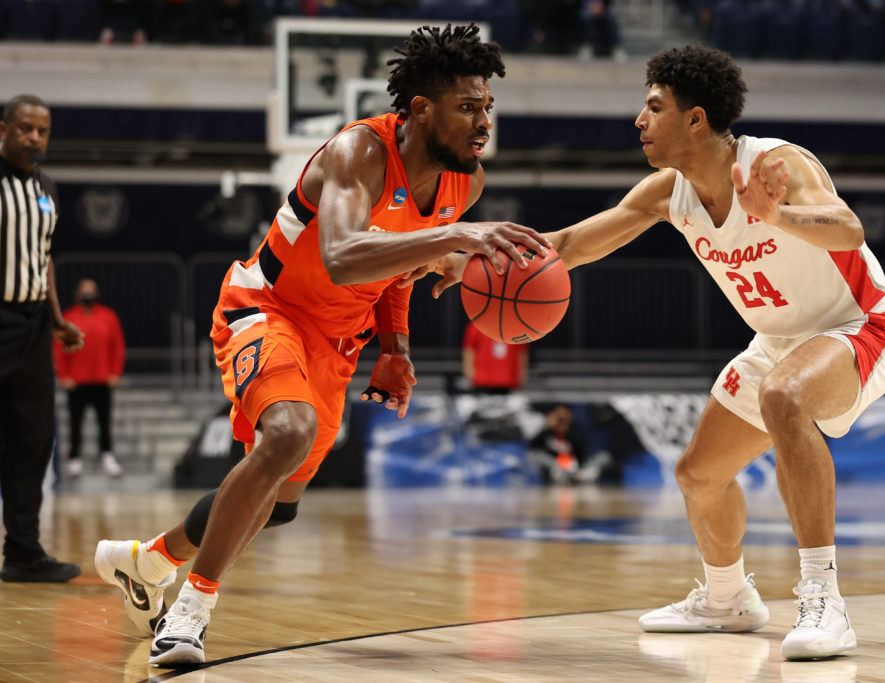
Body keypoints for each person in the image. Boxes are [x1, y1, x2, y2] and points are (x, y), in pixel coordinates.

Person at [417, 44, 885, 660]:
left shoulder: (776, 164)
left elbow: (848, 230)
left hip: (859, 325)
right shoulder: (665, 193)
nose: (639, 121)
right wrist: (470, 261)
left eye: (654, 107)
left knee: (784, 395)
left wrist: (777, 215)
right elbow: (566, 244)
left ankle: (823, 599)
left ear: (695, 119)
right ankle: (727, 599)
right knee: (698, 475)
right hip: (780, 342)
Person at [94, 24, 550, 667]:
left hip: (339, 338)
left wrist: (396, 346)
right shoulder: (358, 151)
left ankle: (148, 561)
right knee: (287, 434)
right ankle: (190, 613)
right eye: (468, 107)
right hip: (266, 307)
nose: (483, 122)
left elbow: (396, 268)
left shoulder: (463, 182)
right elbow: (342, 256)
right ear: (421, 109)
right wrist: (460, 237)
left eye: (487, 107)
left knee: (278, 506)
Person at [0, 94, 85, 583]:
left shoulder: (46, 187)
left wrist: (56, 318)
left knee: (33, 441)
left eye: (43, 130)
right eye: (25, 128)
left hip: (32, 327)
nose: (35, 137)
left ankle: (23, 551)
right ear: (4, 129)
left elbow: (43, 257)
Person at [54, 278, 126, 478]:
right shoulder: (68, 318)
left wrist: (115, 372)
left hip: (102, 379)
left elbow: (118, 347)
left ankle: (107, 456)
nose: (88, 294)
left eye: (91, 290)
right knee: (75, 422)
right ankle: (74, 458)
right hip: (77, 381)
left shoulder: (109, 317)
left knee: (104, 421)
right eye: (84, 290)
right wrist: (64, 375)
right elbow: (59, 350)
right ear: (77, 293)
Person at [527, 403, 609, 484]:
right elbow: (532, 446)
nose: (562, 422)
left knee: (604, 456)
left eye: (564, 419)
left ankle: (582, 476)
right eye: (559, 419)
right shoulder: (547, 432)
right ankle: (565, 475)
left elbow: (584, 452)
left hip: (578, 467)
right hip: (557, 467)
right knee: (533, 455)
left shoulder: (576, 431)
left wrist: (576, 467)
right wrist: (546, 425)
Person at [462, 322, 529, 393]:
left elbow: (522, 351)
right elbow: (470, 349)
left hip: (507, 378)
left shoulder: (516, 327)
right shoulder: (478, 325)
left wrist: (522, 372)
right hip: (483, 378)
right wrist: (469, 369)